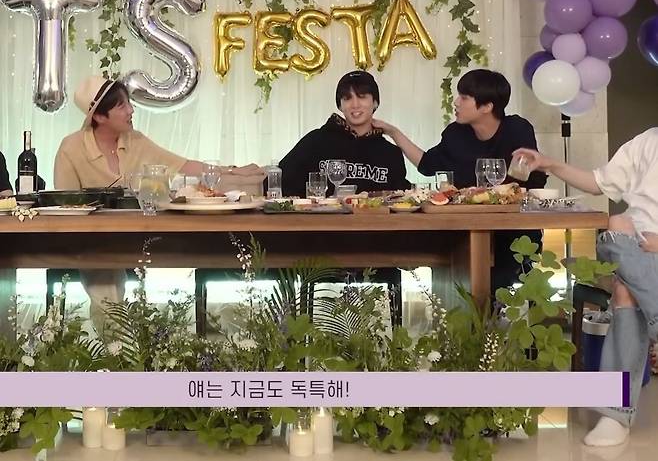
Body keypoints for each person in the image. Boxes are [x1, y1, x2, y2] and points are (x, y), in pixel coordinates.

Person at [54, 75, 263, 335]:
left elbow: (183, 165)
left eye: (129, 103)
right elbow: (65, 204)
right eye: (121, 105)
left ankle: (143, 344)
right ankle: (119, 348)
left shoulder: (136, 140)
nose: (131, 110)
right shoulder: (71, 148)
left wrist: (233, 170)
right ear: (99, 116)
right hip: (94, 239)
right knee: (106, 286)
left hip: (139, 234)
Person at [514, 129, 658, 447]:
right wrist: (549, 163)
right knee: (616, 226)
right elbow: (597, 182)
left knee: (625, 291)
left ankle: (615, 414)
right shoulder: (647, 141)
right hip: (628, 245)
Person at [373, 69, 547, 294]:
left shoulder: (517, 129)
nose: (456, 102)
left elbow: (528, 177)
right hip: (464, 227)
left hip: (512, 227)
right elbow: (427, 165)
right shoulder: (455, 134)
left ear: (487, 106)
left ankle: (495, 308)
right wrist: (393, 132)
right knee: (447, 262)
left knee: (500, 277)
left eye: (464, 97)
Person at [279, 70, 411, 197]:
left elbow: (401, 199)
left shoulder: (390, 153)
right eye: (347, 98)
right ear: (340, 106)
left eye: (362, 97)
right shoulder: (315, 142)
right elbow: (279, 182)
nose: (355, 104)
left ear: (375, 102)